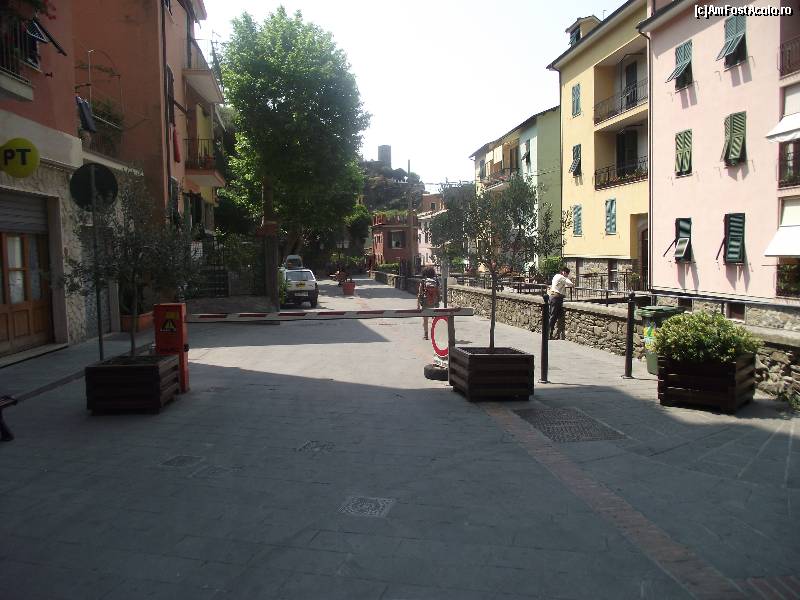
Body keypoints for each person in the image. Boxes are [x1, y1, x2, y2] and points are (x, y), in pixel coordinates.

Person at [549, 267, 574, 339]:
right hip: (556, 298)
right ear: (564, 272)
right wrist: (569, 279)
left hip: (552, 296)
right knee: (553, 316)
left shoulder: (556, 276)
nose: (567, 275)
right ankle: (548, 334)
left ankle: (551, 333)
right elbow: (570, 284)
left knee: (553, 315)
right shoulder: (562, 277)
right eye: (567, 274)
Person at [417, 266, 441, 340]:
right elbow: (439, 292)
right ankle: (435, 333)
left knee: (425, 319)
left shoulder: (423, 281)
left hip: (425, 301)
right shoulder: (436, 281)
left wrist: (418, 305)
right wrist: (438, 300)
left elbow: (420, 294)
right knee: (435, 318)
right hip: (434, 301)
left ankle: (426, 335)